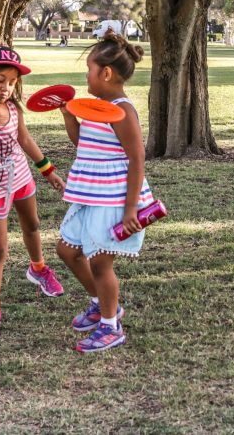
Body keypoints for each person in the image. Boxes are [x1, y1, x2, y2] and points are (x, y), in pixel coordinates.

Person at [0, 46, 67, 338]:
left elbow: (26, 140)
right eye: (0, 80)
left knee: (32, 225)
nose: (6, 87)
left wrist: (49, 171)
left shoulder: (13, 109)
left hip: (20, 177)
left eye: (12, 82)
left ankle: (38, 268)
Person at [56, 33, 154, 353]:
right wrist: (70, 117)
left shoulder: (123, 110)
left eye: (90, 69)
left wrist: (129, 211)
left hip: (113, 197)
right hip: (89, 193)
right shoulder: (97, 108)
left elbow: (137, 158)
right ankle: (101, 303)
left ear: (106, 74)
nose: (87, 75)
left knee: (100, 263)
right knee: (67, 250)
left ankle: (111, 327)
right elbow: (82, 144)